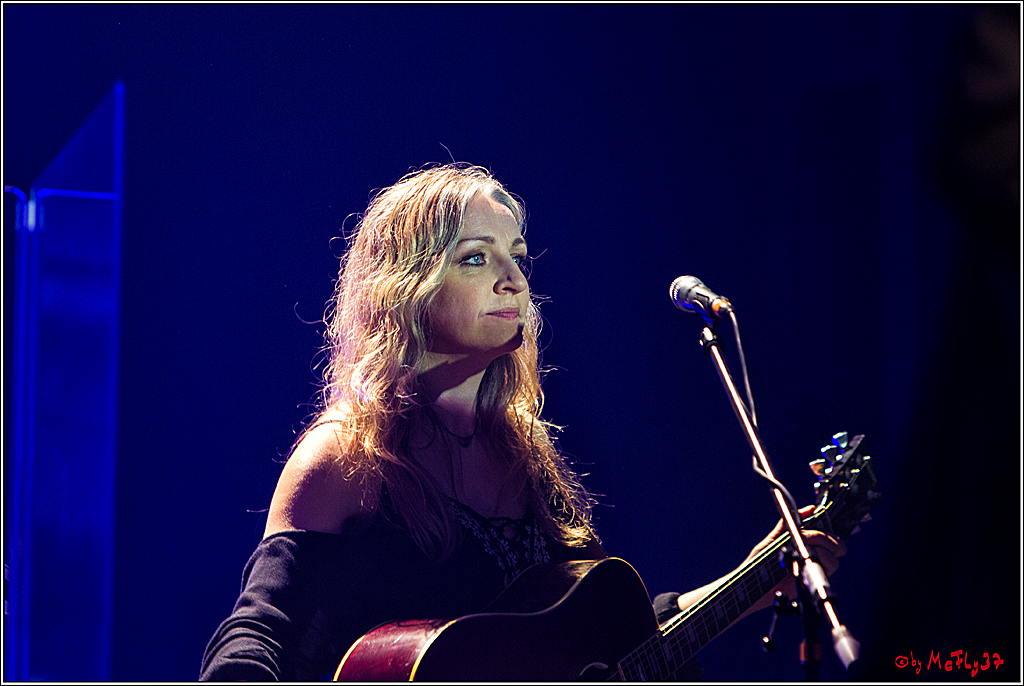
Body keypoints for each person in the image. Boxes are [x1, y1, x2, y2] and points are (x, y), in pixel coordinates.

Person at [199, 163, 844, 681]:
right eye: (476, 258)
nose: (513, 279)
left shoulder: (529, 462)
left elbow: (602, 644)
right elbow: (257, 638)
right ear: (406, 287)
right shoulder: (348, 459)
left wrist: (750, 584)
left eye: (517, 256)